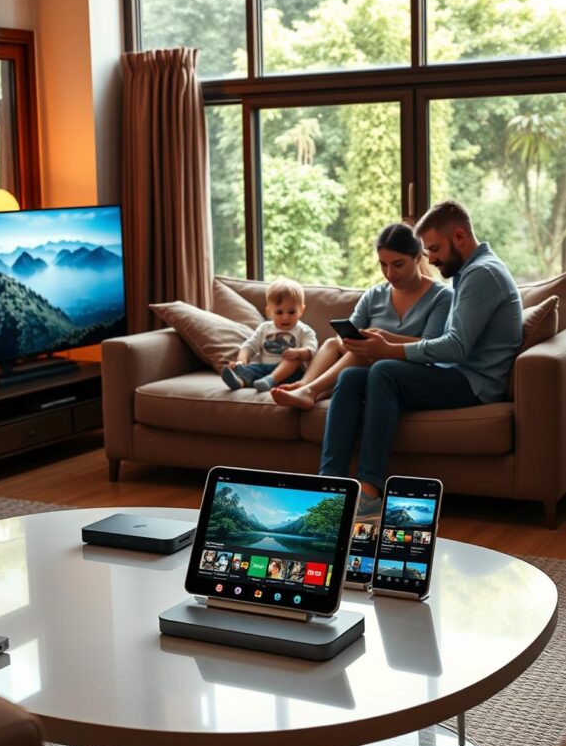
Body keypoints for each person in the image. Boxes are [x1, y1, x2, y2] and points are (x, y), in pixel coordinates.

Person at [320, 200, 523, 514]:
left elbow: (456, 347)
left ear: (459, 237)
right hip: (454, 372)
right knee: (349, 377)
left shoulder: (482, 274)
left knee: (384, 371)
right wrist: (388, 342)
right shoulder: (469, 272)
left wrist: (389, 349)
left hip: (475, 383)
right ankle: (329, 486)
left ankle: (370, 490)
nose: (431, 258)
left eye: (434, 249)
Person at [271, 222, 452, 412]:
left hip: (405, 370)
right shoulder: (374, 294)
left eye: (398, 264)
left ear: (417, 258)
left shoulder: (442, 296)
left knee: (367, 349)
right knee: (333, 344)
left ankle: (310, 390)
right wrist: (351, 340)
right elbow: (345, 335)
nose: (389, 274)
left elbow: (432, 347)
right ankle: (305, 386)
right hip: (366, 366)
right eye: (383, 264)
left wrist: (384, 340)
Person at [221, 276, 318, 392]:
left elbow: (311, 351)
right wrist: (241, 361)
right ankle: (240, 382)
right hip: (263, 370)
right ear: (269, 312)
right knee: (250, 369)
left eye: (291, 312)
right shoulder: (265, 328)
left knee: (295, 359)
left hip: (290, 374)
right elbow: (249, 346)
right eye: (279, 312)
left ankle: (270, 380)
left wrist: (298, 352)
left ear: (301, 310)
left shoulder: (304, 330)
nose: (285, 317)